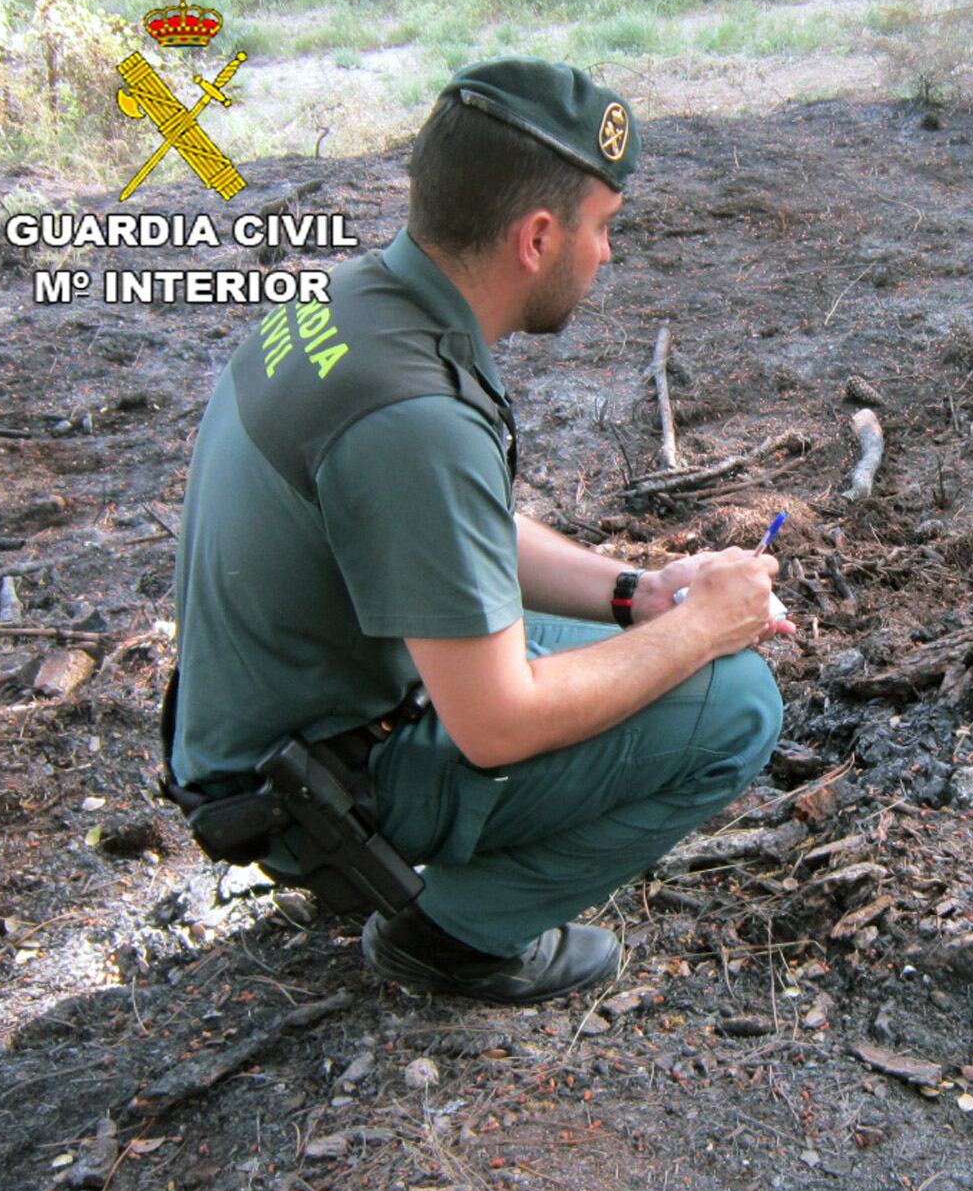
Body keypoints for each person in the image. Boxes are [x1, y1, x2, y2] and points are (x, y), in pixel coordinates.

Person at [165, 59, 785, 1005]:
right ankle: (455, 934)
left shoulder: (359, 305)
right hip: (313, 783)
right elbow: (495, 724)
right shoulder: (414, 417)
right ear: (537, 238)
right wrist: (703, 626)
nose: (607, 256)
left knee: (658, 648)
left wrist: (640, 594)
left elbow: (456, 534)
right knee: (738, 701)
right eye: (603, 228)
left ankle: (456, 892)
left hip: (296, 716)